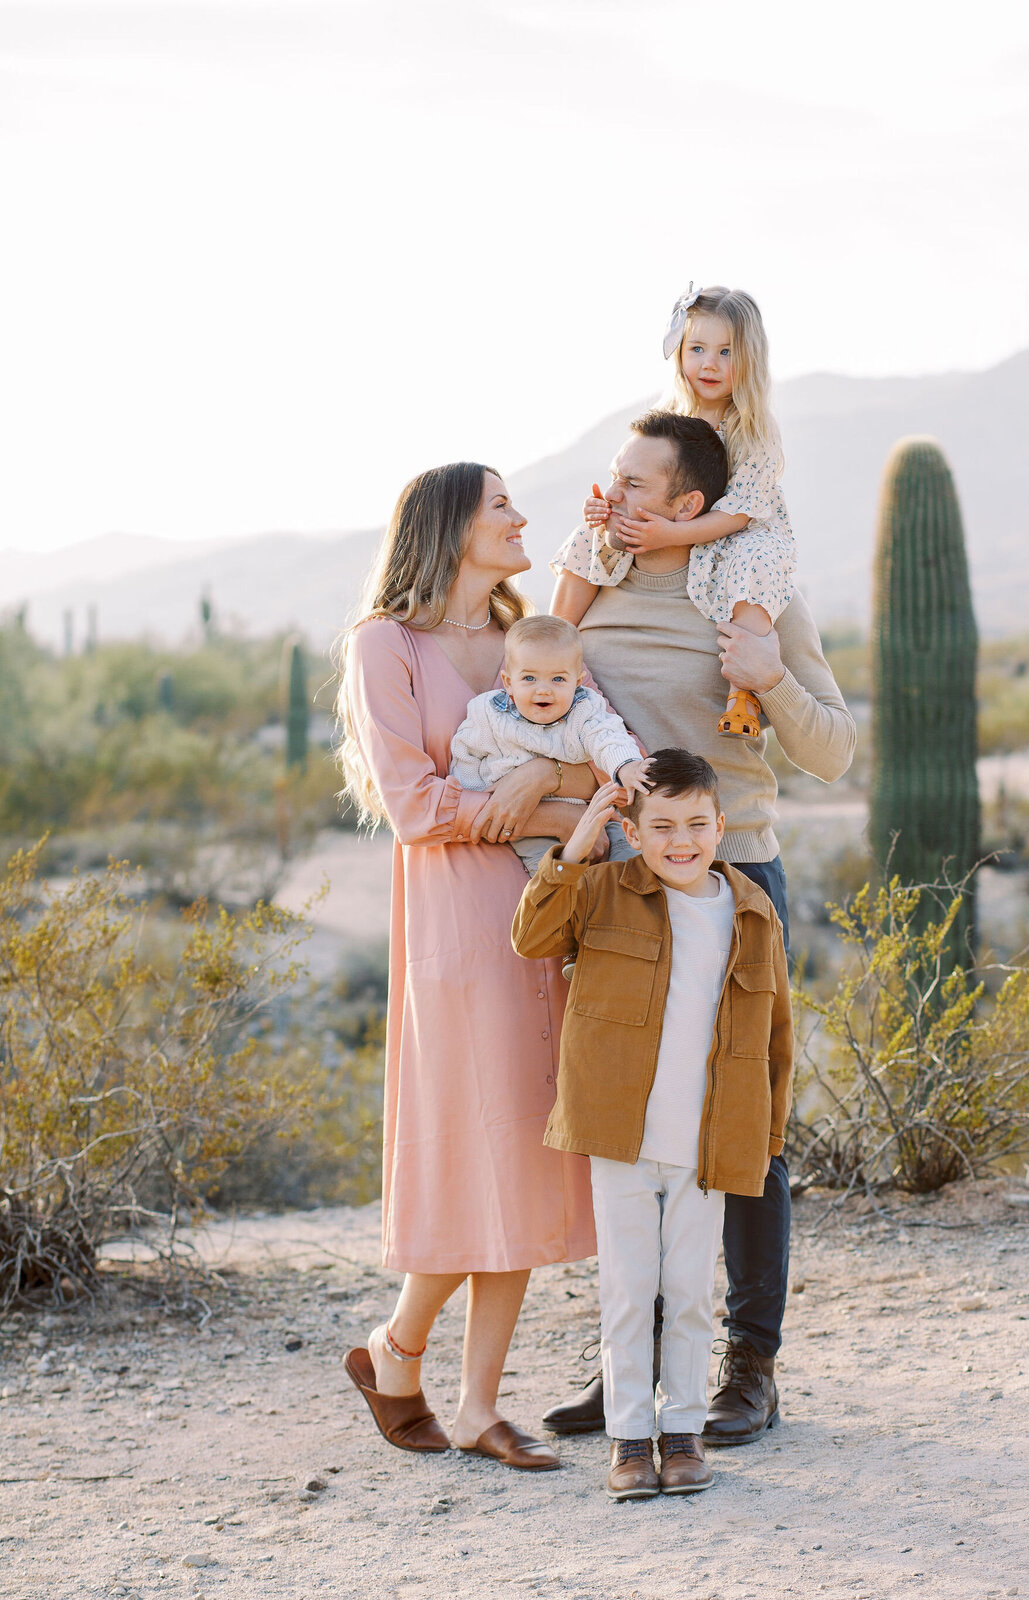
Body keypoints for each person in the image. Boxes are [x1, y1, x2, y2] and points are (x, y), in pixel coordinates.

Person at [538, 409, 856, 1447]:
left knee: (742, 1123)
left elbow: (835, 751)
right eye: (609, 478)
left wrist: (764, 675)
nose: (610, 496)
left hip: (737, 871)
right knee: (630, 1119)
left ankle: (750, 1366)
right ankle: (630, 1358)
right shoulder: (593, 591)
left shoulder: (755, 596)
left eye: (635, 484)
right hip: (628, 883)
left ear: (690, 505)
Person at [334, 462, 597, 1472]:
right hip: (455, 925)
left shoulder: (530, 642)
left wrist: (544, 775)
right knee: (475, 1145)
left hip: (546, 919)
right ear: (451, 526)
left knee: (524, 1154)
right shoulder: (383, 646)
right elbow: (414, 805)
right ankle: (401, 1355)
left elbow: (604, 756)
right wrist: (549, 801)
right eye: (502, 505)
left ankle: (472, 1400)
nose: (523, 517)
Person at [512, 751, 794, 1500]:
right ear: (632, 832)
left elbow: (776, 1035)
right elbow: (532, 935)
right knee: (632, 1289)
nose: (681, 840)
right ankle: (630, 1439)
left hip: (708, 1140)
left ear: (720, 827)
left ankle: (683, 1434)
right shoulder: (601, 892)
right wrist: (577, 844)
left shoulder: (750, 911)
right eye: (660, 825)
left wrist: (765, 1139)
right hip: (621, 1135)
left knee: (693, 1292)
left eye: (697, 824)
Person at [552, 284, 794, 740]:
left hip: (734, 530)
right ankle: (550, 644)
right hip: (670, 520)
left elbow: (738, 515)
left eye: (726, 352)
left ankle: (743, 687)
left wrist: (670, 535)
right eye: (697, 348)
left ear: (750, 359)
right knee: (588, 535)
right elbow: (634, 479)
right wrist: (604, 507)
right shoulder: (669, 415)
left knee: (756, 563)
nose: (709, 363)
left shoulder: (754, 429)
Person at [449, 613, 650, 877]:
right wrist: (481, 798)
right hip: (532, 825)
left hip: (592, 812)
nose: (543, 690)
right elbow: (466, 755)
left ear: (577, 682)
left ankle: (628, 907)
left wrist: (626, 766)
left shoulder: (584, 708)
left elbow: (608, 737)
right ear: (508, 682)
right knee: (554, 878)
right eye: (530, 679)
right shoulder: (488, 714)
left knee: (631, 864)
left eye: (558, 679)